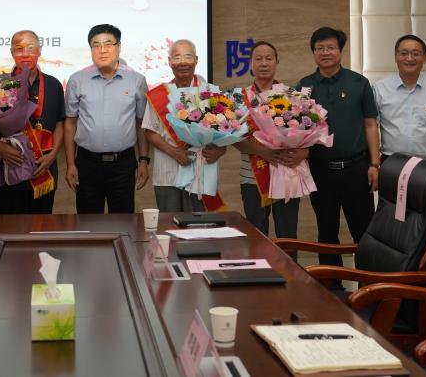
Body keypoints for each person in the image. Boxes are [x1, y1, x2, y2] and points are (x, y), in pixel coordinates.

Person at [298, 26, 381, 268]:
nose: (325, 52)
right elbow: (298, 130)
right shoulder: (304, 87)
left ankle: (369, 282)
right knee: (326, 231)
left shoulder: (359, 82)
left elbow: (370, 124)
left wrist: (374, 164)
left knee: (363, 230)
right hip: (320, 170)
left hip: (356, 169)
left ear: (340, 51)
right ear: (313, 53)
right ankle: (331, 283)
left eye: (331, 47)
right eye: (320, 48)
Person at [63, 24, 151, 214]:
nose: (102, 50)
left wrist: (144, 159)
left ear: (119, 47)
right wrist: (70, 164)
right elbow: (70, 123)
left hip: (123, 164)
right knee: (87, 222)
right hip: (87, 163)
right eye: (96, 45)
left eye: (108, 44)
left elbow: (141, 123)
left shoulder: (137, 80)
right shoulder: (77, 80)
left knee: (123, 222)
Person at [142, 39, 225, 212]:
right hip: (167, 172)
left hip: (201, 171)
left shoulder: (211, 92)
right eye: (177, 57)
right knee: (168, 223)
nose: (183, 62)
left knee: (200, 224)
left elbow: (225, 129)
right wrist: (173, 151)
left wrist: (221, 149)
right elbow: (149, 131)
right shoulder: (159, 94)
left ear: (196, 60)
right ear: (169, 62)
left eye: (188, 57)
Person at [0, 30, 66, 215]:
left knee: (41, 227)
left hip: (43, 167)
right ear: (11, 52)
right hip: (10, 166)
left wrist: (52, 156)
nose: (25, 54)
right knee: (8, 227)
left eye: (31, 48)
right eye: (19, 49)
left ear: (39, 50)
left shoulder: (53, 84)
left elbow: (59, 124)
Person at [233, 41, 302, 238]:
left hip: (286, 172)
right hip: (251, 177)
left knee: (287, 235)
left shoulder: (291, 95)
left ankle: (287, 261)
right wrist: (262, 152)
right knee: (256, 237)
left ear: (276, 62)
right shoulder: (239, 98)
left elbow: (306, 133)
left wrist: (302, 151)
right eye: (258, 59)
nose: (264, 63)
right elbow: (232, 138)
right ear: (250, 63)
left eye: (269, 59)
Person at [373, 34, 426, 162]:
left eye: (416, 54)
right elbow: (372, 128)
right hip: (392, 161)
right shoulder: (379, 89)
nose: (409, 58)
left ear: (424, 58)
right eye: (404, 53)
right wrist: (374, 164)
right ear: (395, 57)